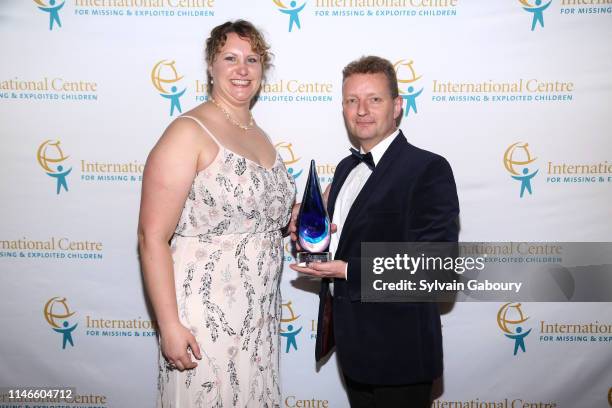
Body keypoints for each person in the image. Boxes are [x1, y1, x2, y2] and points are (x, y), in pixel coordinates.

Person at [138, 20, 295, 407]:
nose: (242, 69)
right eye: (230, 58)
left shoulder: (258, 133)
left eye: (252, 59)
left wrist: (298, 213)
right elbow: (151, 237)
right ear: (211, 65)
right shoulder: (188, 131)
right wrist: (169, 325)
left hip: (258, 317)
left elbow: (254, 216)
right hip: (204, 316)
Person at [290, 56, 459, 408]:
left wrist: (347, 269)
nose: (362, 110)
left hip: (402, 353)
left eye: (374, 99)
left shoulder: (428, 168)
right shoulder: (344, 168)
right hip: (353, 348)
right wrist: (310, 237)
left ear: (397, 106)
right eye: (352, 100)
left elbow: (437, 268)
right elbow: (336, 236)